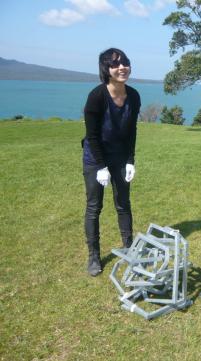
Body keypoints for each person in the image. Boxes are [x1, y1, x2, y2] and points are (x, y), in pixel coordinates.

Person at [81, 48, 141, 276]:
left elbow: (131, 130)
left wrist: (130, 160)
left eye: (125, 62)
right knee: (94, 207)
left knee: (123, 203)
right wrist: (101, 167)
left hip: (119, 157)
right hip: (95, 157)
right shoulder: (97, 96)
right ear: (106, 69)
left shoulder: (133, 96)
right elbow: (92, 135)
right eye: (115, 64)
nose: (121, 67)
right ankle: (94, 256)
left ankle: (129, 248)